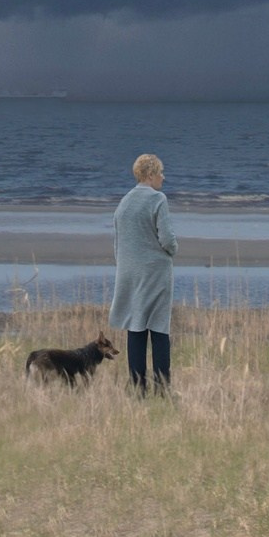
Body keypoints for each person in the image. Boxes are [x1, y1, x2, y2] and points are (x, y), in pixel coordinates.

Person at [109, 153, 178, 394]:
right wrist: (173, 250)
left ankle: (138, 388)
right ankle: (162, 388)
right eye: (160, 173)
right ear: (150, 175)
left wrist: (125, 265)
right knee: (159, 329)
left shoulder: (124, 202)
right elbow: (167, 238)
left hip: (128, 273)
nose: (163, 177)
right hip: (155, 273)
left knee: (136, 327)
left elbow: (117, 243)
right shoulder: (158, 199)